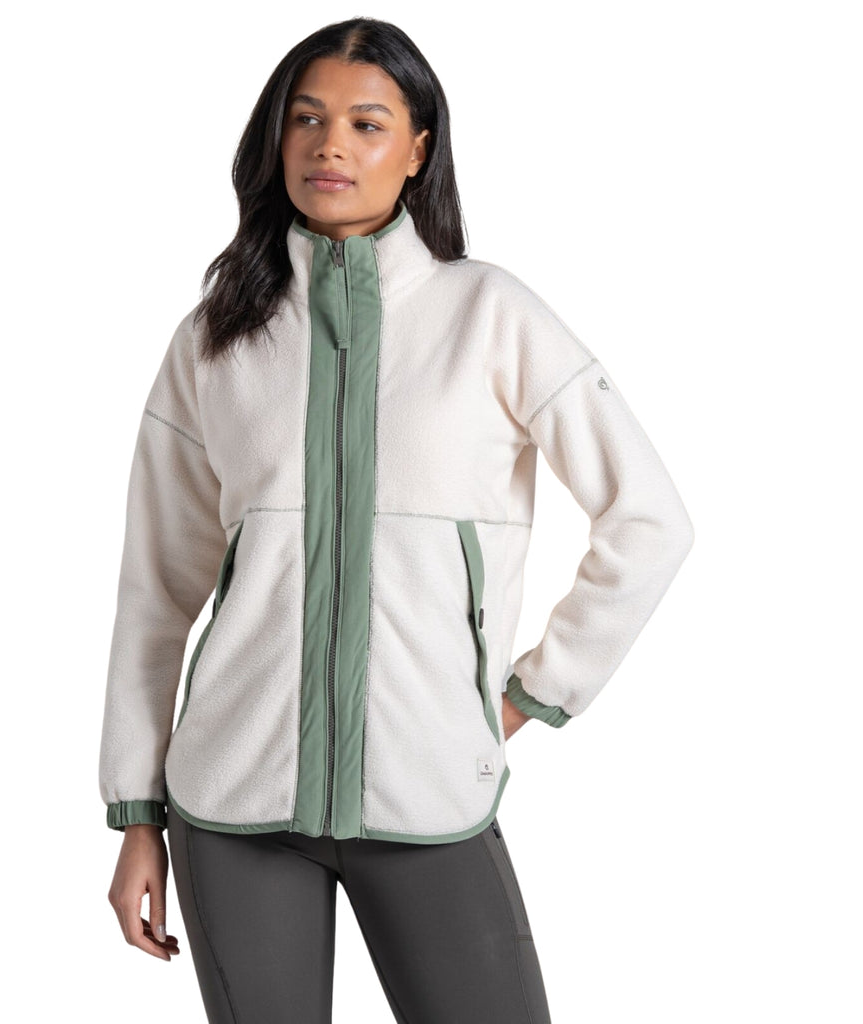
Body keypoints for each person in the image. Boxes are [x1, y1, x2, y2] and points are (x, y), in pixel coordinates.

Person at [98, 17, 694, 1024]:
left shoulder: (491, 315)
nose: (330, 145)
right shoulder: (216, 337)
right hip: (232, 802)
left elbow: (650, 520)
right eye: (306, 120)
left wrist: (532, 693)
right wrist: (137, 814)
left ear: (417, 149)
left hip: (429, 790)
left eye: (366, 124)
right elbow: (155, 588)